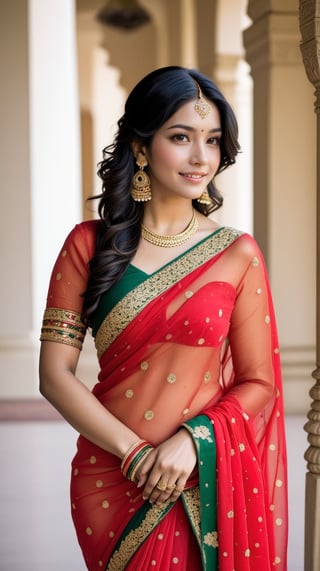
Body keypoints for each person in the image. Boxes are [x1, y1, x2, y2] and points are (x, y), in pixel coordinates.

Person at [39, 66, 288, 570]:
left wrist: (193, 443)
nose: (201, 158)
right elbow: (53, 375)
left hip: (201, 473)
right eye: (181, 137)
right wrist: (136, 455)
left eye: (213, 140)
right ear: (140, 146)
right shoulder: (88, 245)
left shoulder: (237, 254)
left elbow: (258, 381)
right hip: (111, 477)